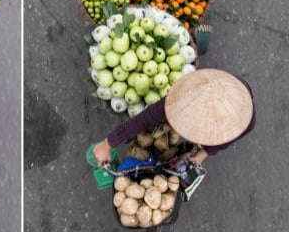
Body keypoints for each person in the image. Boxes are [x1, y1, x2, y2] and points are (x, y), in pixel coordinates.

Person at [92, 68, 255, 166]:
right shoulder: (178, 101)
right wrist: (107, 144)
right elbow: (142, 121)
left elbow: (226, 140)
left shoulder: (244, 119)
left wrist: (205, 153)